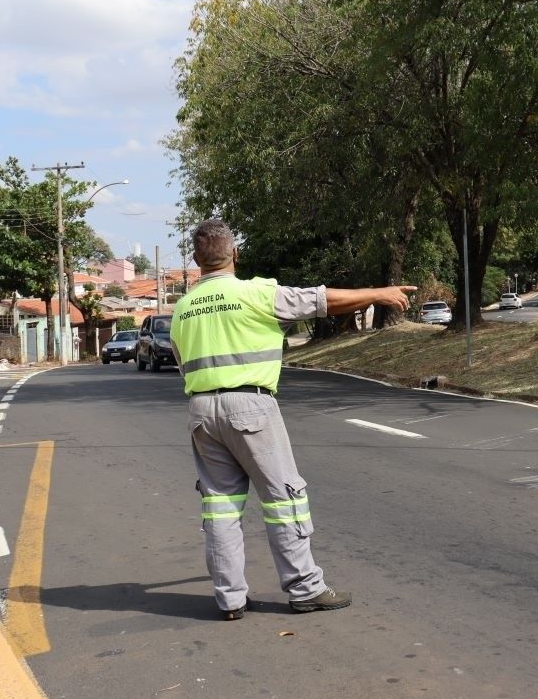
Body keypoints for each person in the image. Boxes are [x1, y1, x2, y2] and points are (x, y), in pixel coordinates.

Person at [171, 219, 416, 620]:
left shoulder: (182, 309)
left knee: (220, 507)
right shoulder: (255, 294)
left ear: (196, 260)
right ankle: (305, 588)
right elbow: (322, 301)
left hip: (201, 413)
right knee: (285, 500)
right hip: (250, 406)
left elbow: (183, 364)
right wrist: (380, 293)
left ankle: (230, 599)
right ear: (235, 254)